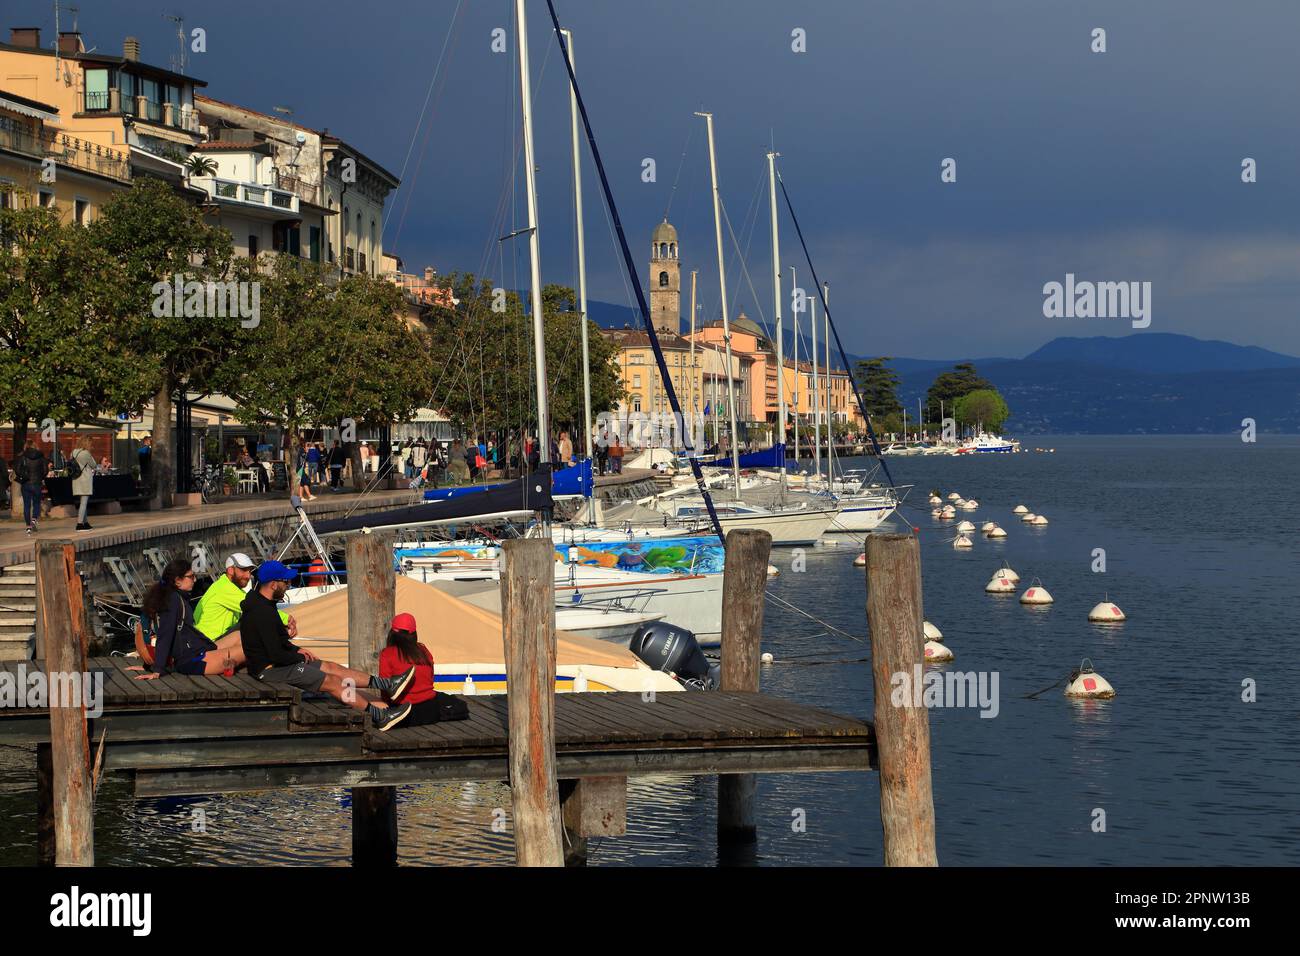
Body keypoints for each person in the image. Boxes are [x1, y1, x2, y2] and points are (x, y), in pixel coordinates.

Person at [239, 561, 414, 731]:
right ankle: (381, 716)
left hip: (278, 663)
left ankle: (386, 684)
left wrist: (296, 650)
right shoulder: (261, 612)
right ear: (273, 584)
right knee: (333, 682)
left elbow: (278, 643)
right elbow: (275, 654)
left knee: (332, 667)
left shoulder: (265, 605)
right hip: (269, 670)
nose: (288, 585)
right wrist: (298, 657)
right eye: (285, 582)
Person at [132, 558, 246, 678]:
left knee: (239, 635)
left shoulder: (170, 596)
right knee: (253, 647)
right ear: (178, 581)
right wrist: (157, 669)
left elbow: (151, 629)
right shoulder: (172, 600)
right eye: (191, 576)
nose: (195, 580)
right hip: (193, 660)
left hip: (197, 650)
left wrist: (147, 666)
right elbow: (165, 633)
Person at [378, 613, 468, 726]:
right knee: (449, 699)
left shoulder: (387, 654)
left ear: (392, 634)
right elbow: (430, 680)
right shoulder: (423, 650)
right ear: (414, 634)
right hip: (430, 712)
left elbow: (385, 690)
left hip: (403, 714)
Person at [193, 552, 296, 642]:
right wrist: (286, 619)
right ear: (230, 570)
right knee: (252, 624)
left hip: (206, 639)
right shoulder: (224, 589)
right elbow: (256, 607)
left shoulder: (221, 586)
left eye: (249, 571)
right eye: (243, 570)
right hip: (212, 642)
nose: (248, 576)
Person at [14, 439, 47, 536]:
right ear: (34, 446)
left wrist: (24, 476)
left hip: (25, 484)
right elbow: (45, 470)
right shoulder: (41, 456)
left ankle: (28, 527)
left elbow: (17, 469)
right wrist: (40, 477)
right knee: (36, 502)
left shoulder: (22, 456)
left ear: (26, 446)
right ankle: (34, 519)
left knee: (27, 505)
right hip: (37, 483)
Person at [70, 435, 97, 532]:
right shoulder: (86, 453)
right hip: (85, 480)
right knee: (84, 503)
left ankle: (85, 523)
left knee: (83, 503)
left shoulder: (73, 452)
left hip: (76, 479)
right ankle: (80, 524)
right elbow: (94, 465)